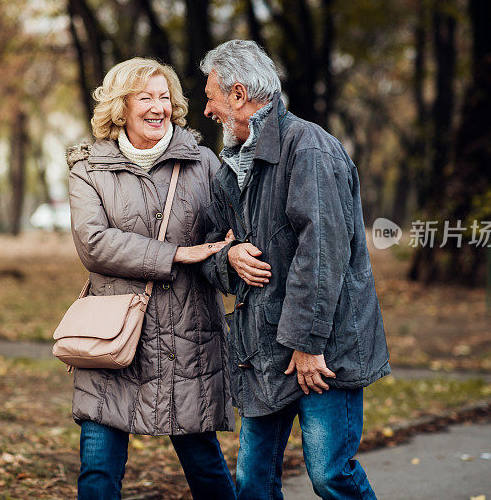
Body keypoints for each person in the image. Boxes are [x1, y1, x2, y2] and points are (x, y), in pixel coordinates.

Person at [199, 40, 391, 500]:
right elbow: (203, 248)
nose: (206, 109)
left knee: (330, 476)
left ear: (239, 95)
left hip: (322, 349)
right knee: (253, 483)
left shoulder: (310, 149)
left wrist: (307, 344)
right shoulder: (231, 170)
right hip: (262, 348)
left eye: (211, 97)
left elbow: (323, 255)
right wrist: (226, 258)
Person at [66, 57, 236, 500]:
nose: (158, 107)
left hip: (188, 337)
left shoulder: (204, 164)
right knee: (98, 473)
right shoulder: (89, 169)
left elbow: (225, 238)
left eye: (165, 97)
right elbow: (93, 244)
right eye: (146, 97)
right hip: (114, 340)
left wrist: (230, 251)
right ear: (121, 107)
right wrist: (176, 253)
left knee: (206, 468)